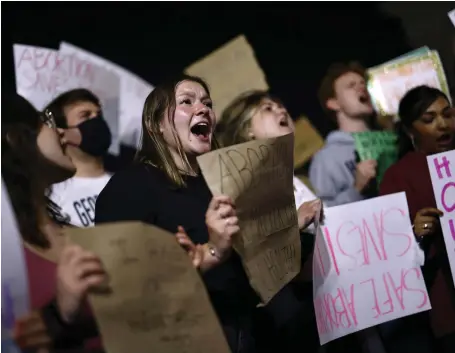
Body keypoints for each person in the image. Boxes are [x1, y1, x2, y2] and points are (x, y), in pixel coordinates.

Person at [2, 93, 202, 353]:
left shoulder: (77, 235)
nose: (60, 134)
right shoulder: (7, 255)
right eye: (47, 122)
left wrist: (177, 266)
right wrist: (57, 317)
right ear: (17, 139)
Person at [95, 75, 259, 353]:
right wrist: (213, 251)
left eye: (207, 103)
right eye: (187, 101)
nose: (203, 108)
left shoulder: (224, 185)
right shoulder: (131, 187)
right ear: (156, 124)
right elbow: (124, 283)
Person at [215, 90, 322, 353]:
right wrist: (294, 223)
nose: (281, 111)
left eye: (281, 106)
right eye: (267, 108)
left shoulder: (295, 181)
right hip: (289, 326)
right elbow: (252, 255)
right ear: (247, 131)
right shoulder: (240, 186)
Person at [379, 85, 455, 353]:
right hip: (447, 304)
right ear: (410, 130)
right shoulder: (397, 176)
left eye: (448, 114)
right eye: (429, 119)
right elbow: (390, 248)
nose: (443, 124)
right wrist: (414, 231)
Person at [309, 62, 378, 207]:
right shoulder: (325, 159)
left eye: (363, 83)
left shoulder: (393, 140)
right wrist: (357, 188)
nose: (361, 87)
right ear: (334, 103)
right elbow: (324, 215)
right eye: (351, 85)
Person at [44, 89, 113, 228]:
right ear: (61, 133)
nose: (96, 121)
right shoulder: (52, 198)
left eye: (99, 115)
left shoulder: (129, 182)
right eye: (85, 116)